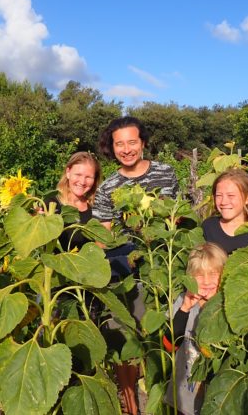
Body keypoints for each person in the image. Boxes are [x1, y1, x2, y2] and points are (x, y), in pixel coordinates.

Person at [93, 116, 179, 415]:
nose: (127, 149)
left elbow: (177, 215)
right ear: (111, 147)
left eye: (132, 142)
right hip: (126, 267)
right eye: (120, 144)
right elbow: (102, 233)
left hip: (163, 265)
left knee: (163, 337)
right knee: (125, 338)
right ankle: (133, 409)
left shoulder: (165, 173)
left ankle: (168, 402)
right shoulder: (109, 186)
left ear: (142, 142)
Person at [163, 243, 227, 415]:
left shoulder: (227, 305)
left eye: (213, 274)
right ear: (190, 277)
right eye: (199, 275)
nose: (206, 281)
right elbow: (169, 346)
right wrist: (184, 309)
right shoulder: (184, 302)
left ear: (224, 275)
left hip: (214, 390)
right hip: (186, 388)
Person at [202, 169, 248, 254]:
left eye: (231, 196)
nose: (223, 202)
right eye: (219, 195)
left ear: (247, 198)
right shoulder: (208, 227)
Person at [45, 151, 101, 252]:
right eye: (78, 174)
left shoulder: (96, 208)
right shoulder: (51, 204)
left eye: (88, 177)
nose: (82, 182)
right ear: (68, 173)